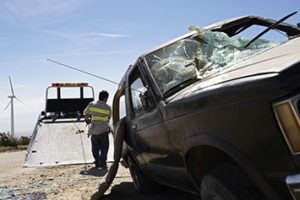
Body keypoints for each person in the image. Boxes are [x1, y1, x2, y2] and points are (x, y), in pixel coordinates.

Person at [84, 90, 111, 169]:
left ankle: (97, 162)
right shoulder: (108, 107)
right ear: (106, 98)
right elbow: (109, 118)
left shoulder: (92, 104)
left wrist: (88, 120)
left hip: (94, 130)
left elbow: (86, 113)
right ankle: (103, 163)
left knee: (95, 147)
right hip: (104, 131)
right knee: (104, 148)